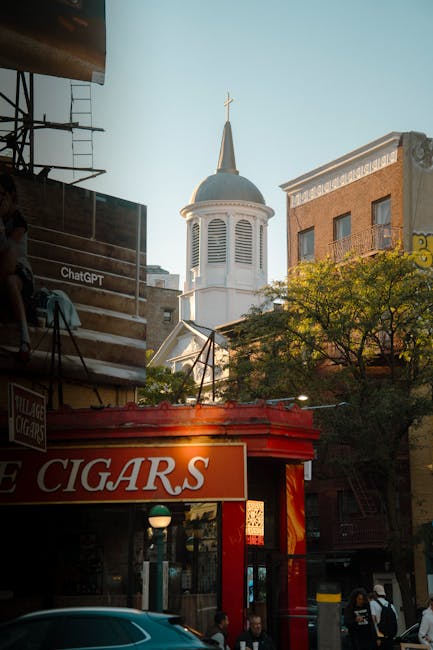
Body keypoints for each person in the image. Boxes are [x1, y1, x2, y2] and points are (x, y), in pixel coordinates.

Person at [0, 172, 33, 362]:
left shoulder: (19, 221)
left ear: (10, 195)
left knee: (11, 279)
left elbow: (8, 249)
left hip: (21, 273)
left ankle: (25, 341)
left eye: (1, 193)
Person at [369, 584, 398, 650]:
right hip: (389, 637)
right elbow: (395, 619)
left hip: (379, 637)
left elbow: (373, 621)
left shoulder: (372, 604)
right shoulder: (390, 605)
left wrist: (377, 637)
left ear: (375, 593)